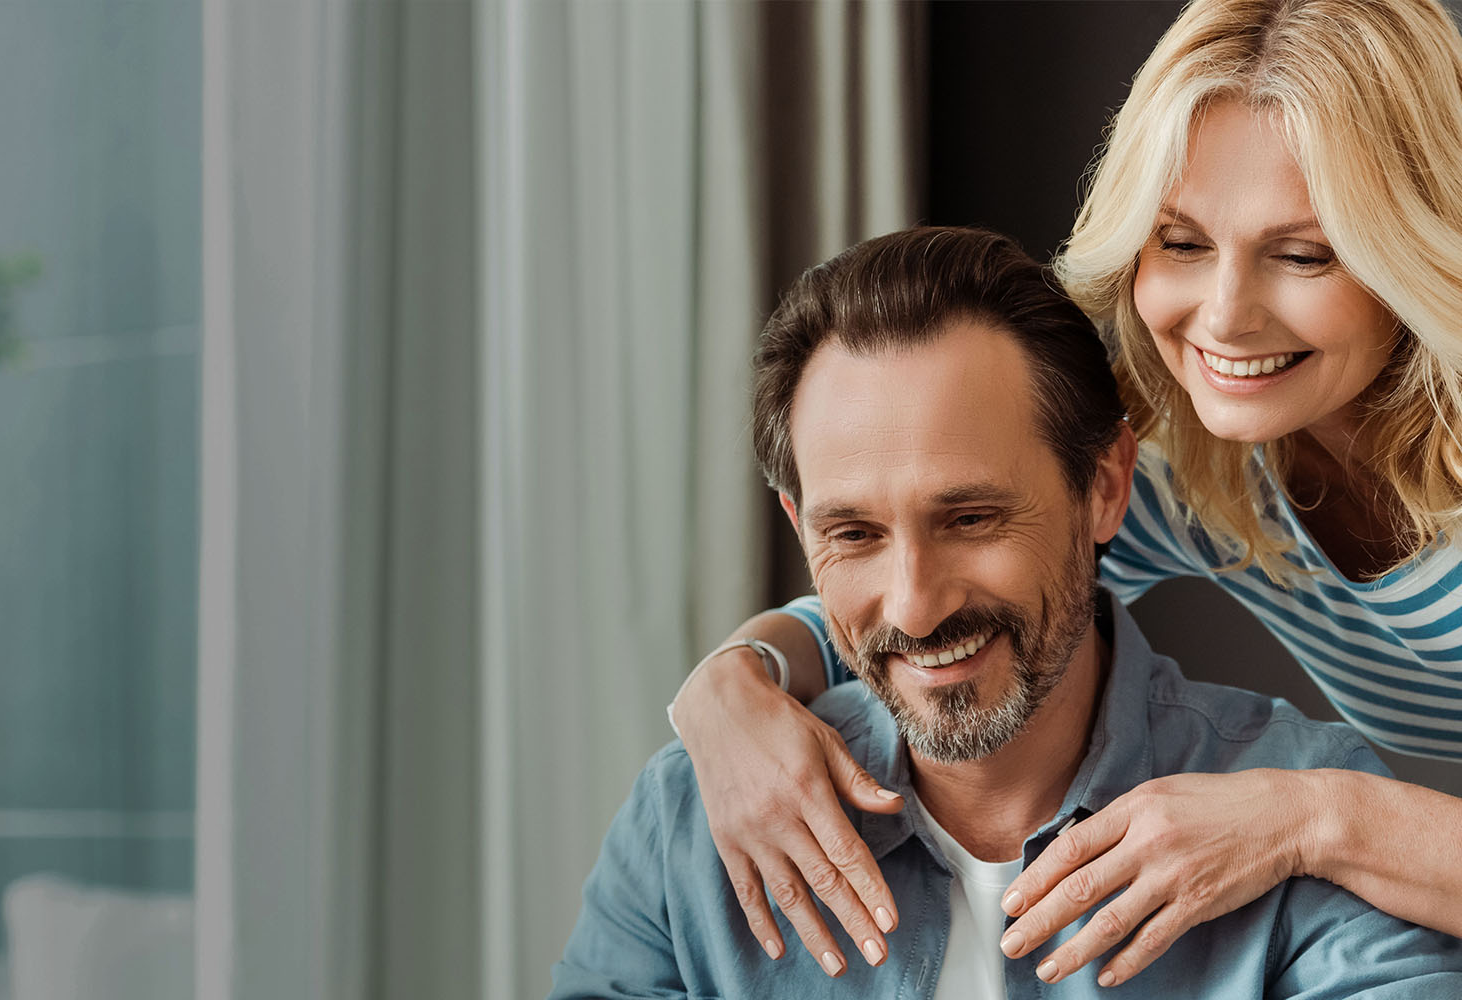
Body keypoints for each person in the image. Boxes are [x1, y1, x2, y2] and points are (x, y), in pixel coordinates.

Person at [668, 0, 1462, 988]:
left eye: (1301, 253)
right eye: (1179, 243)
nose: (1221, 314)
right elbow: (920, 612)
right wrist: (723, 695)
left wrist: (1309, 816)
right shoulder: (1202, 471)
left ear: (1420, 240)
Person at [551, 227, 1462, 998]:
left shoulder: (1305, 833)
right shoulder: (693, 821)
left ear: (1104, 488)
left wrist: (1318, 823)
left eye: (973, 518)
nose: (914, 605)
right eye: (855, 533)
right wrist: (729, 683)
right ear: (799, 527)